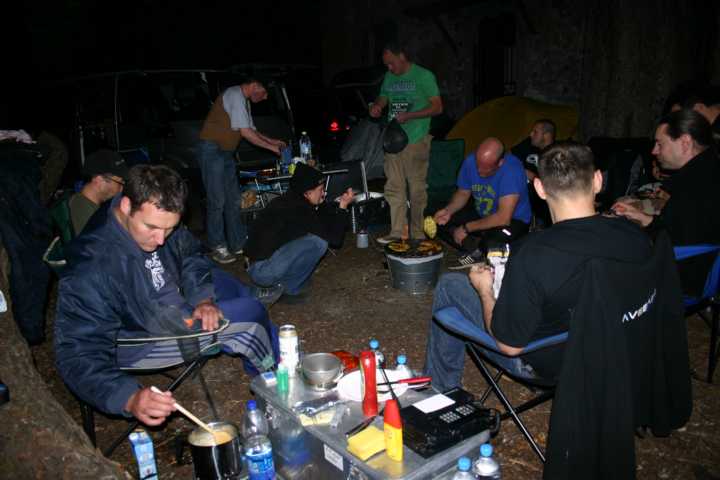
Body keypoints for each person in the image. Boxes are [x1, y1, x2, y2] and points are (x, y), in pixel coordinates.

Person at [55, 164, 282, 426]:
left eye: (169, 229)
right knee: (251, 314)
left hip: (170, 301)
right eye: (152, 228)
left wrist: (202, 298)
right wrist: (127, 397)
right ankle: (273, 384)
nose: (161, 240)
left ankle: (275, 350)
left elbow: (190, 253)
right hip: (141, 336)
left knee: (228, 284)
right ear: (126, 206)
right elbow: (77, 351)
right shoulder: (93, 266)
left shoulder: (155, 214)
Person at [424, 142, 653, 391]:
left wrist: (485, 291)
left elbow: (509, 346)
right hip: (618, 350)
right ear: (597, 180)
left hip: (551, 363)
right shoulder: (635, 235)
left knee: (450, 284)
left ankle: (440, 391)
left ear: (539, 188)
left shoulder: (532, 252)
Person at [613, 109, 720, 296]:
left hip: (681, 277)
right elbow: (677, 229)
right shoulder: (710, 170)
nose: (654, 151)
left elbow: (671, 243)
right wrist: (642, 217)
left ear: (685, 143)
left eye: (660, 144)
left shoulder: (692, 188)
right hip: (700, 271)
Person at [197, 77, 287, 264]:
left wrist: (273, 141)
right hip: (211, 150)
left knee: (234, 199)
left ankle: (237, 242)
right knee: (217, 200)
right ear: (255, 85)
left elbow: (251, 130)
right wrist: (272, 149)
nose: (264, 98)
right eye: (264, 93)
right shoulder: (234, 95)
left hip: (225, 153)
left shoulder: (244, 101)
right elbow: (246, 134)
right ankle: (217, 246)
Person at [244, 164, 354, 304]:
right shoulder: (298, 209)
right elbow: (335, 239)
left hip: (257, 265)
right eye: (320, 190)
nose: (324, 193)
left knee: (310, 239)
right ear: (307, 193)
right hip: (262, 271)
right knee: (318, 243)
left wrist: (326, 205)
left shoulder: (291, 200)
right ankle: (285, 289)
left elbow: (322, 221)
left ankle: (281, 283)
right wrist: (343, 206)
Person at [368, 41, 443, 244]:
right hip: (393, 140)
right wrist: (378, 105)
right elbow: (384, 96)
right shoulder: (389, 76)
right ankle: (397, 232)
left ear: (402, 56)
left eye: (391, 63)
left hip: (416, 139)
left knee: (416, 189)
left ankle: (417, 234)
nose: (389, 68)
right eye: (386, 65)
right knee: (394, 187)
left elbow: (437, 107)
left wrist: (410, 116)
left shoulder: (424, 76)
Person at [433, 137, 532, 269]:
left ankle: (479, 251)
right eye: (477, 165)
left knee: (493, 244)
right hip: (483, 213)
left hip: (513, 220)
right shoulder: (470, 161)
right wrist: (448, 211)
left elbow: (503, 218)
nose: (479, 171)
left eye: (486, 169)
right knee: (439, 220)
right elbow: (463, 193)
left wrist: (466, 228)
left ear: (500, 162)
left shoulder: (512, 170)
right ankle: (475, 244)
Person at [68, 149, 129, 236]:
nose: (122, 188)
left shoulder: (93, 207)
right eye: (120, 182)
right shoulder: (83, 211)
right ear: (99, 180)